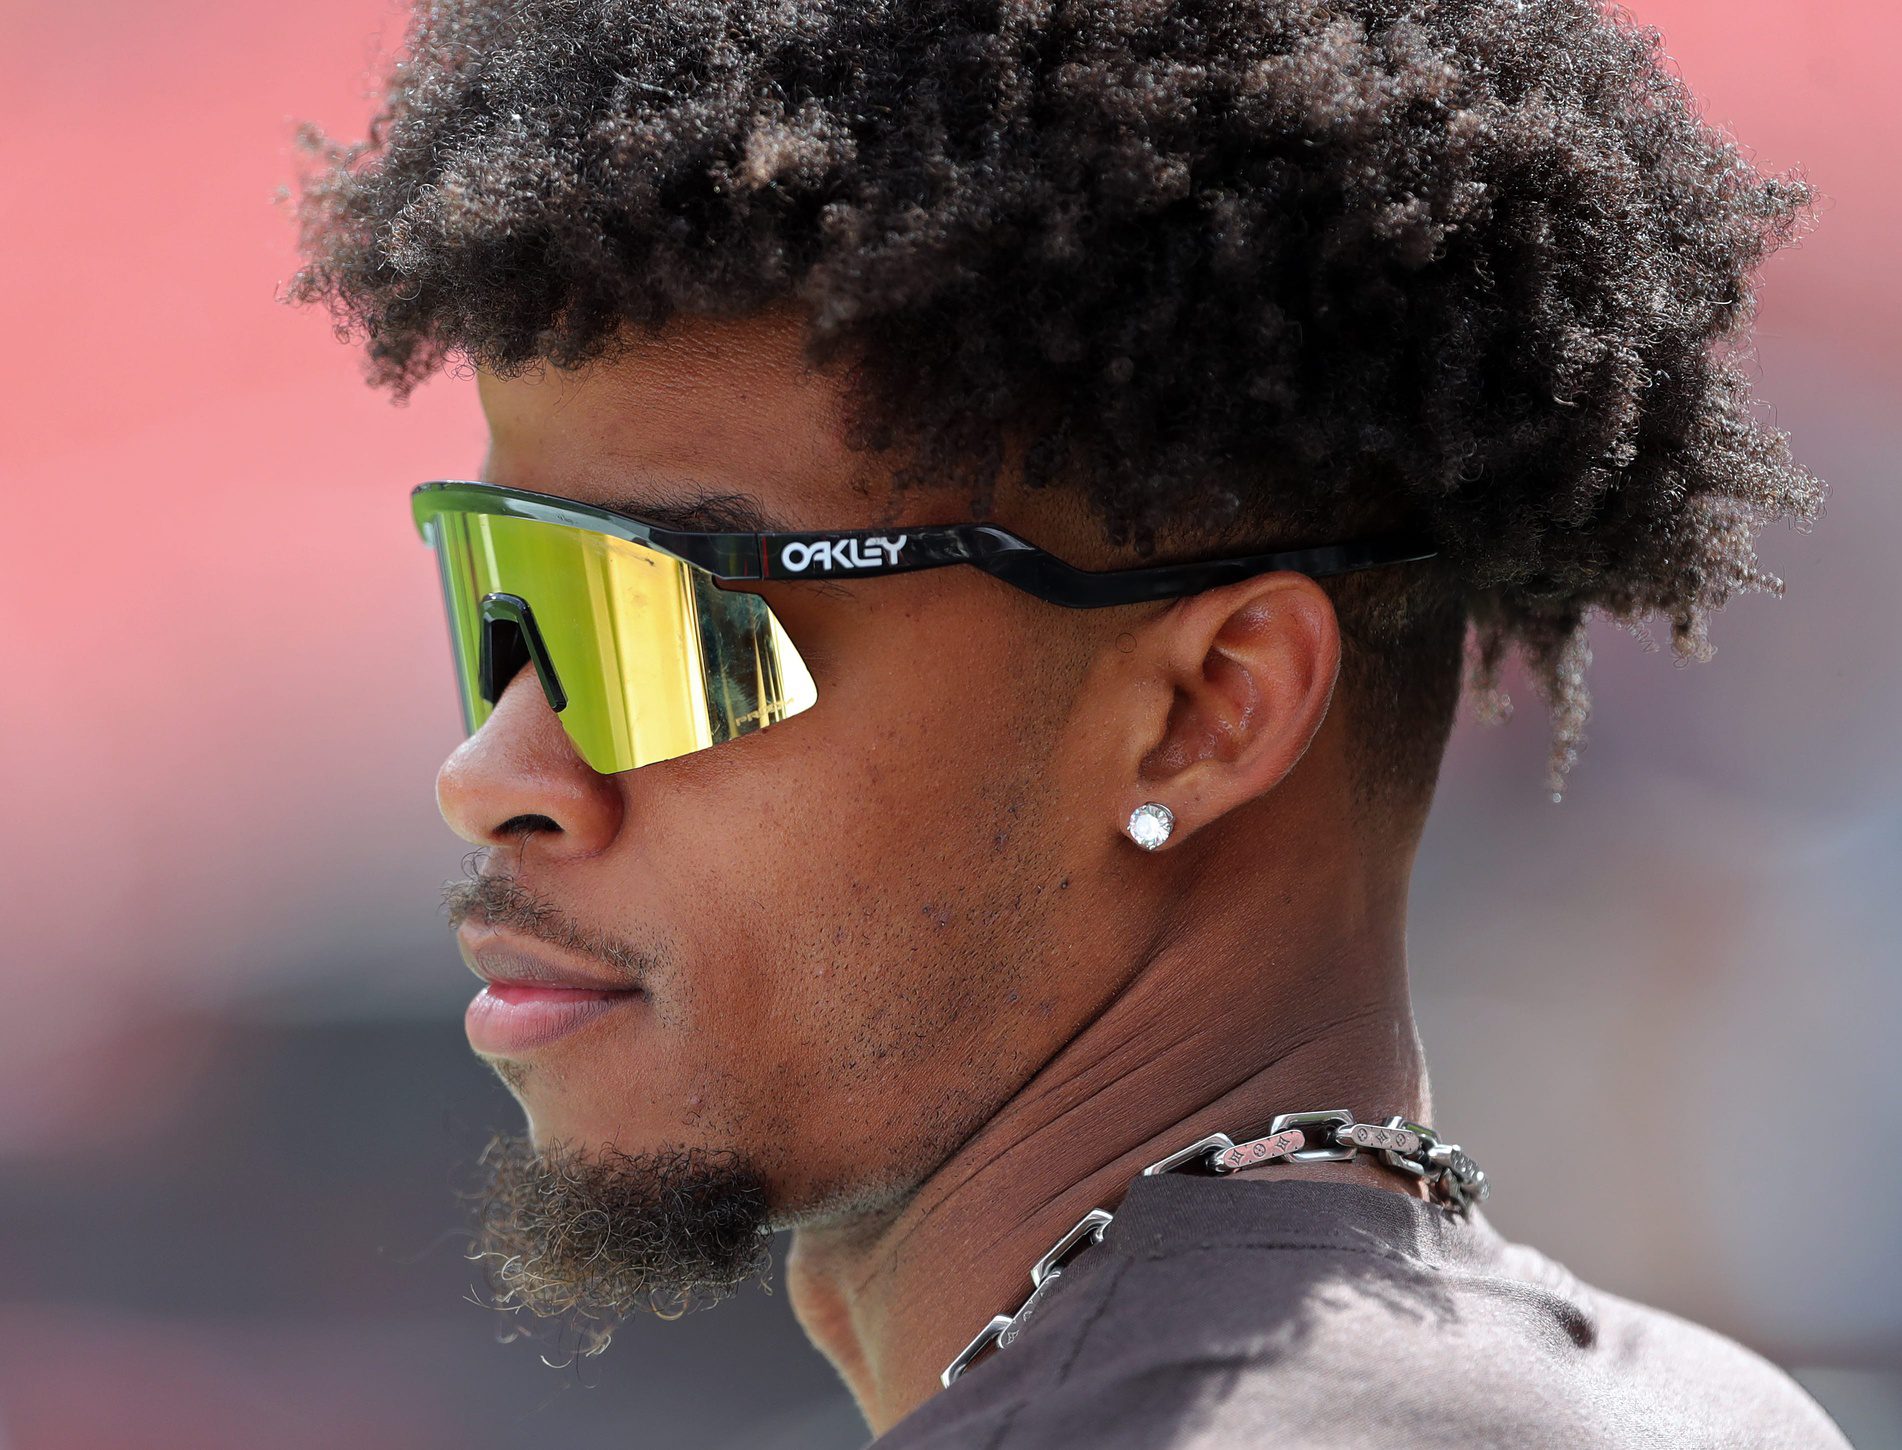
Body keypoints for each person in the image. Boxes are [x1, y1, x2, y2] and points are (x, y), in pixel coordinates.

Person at [286, 0, 1850, 1443]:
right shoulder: (1728, 1413)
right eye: (495, 592)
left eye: (647, 620)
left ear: (1204, 711)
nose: (494, 772)